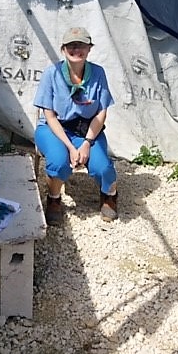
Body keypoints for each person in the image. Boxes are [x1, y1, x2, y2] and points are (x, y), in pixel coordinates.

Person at [34, 26, 117, 226]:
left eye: (81, 45)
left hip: (86, 129)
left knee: (102, 167)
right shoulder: (51, 73)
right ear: (63, 49)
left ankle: (110, 194)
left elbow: (102, 111)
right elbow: (49, 115)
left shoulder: (98, 73)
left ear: (89, 49)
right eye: (71, 46)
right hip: (54, 129)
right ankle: (54, 198)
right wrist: (71, 147)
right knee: (58, 162)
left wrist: (87, 143)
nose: (76, 50)